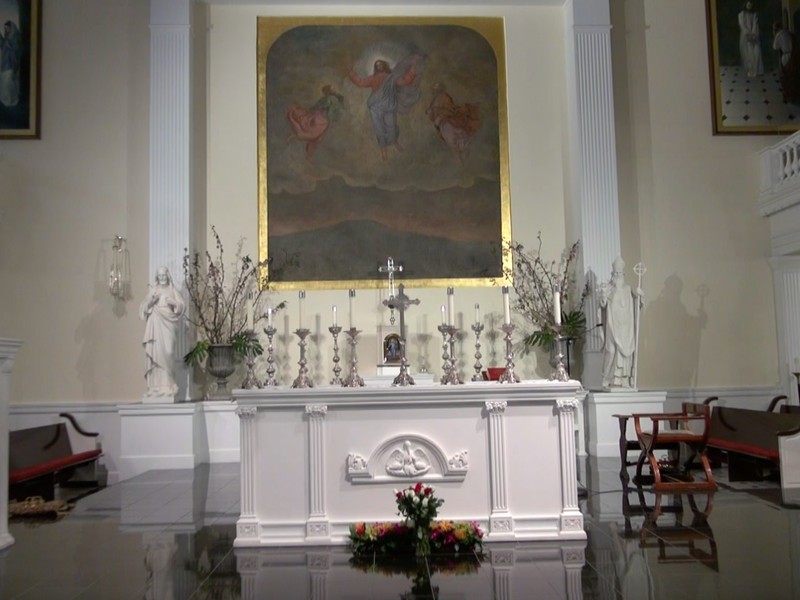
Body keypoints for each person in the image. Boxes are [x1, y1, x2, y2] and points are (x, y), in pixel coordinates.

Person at [347, 55, 423, 162]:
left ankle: (395, 142)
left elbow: (406, 81)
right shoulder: (372, 78)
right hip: (375, 107)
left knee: (391, 126)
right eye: (377, 65)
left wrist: (413, 67)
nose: (379, 66)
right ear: (375, 67)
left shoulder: (391, 77)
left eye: (381, 64)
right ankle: (383, 151)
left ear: (384, 65)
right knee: (379, 129)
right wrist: (351, 72)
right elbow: (360, 82)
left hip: (389, 107)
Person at [139, 266, 186, 397]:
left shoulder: (172, 290)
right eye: (160, 276)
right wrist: (151, 301)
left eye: (164, 275)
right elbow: (142, 308)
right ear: (157, 277)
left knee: (169, 351)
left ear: (167, 275)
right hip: (156, 323)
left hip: (169, 323)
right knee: (156, 353)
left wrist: (173, 302)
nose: (162, 278)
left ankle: (169, 384)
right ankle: (157, 386)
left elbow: (182, 305)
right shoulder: (154, 290)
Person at [598, 257, 643, 389]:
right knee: (611, 351)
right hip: (613, 326)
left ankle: (623, 379)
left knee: (625, 352)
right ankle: (607, 378)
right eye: (615, 274)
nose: (617, 276)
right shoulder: (610, 289)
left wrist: (640, 297)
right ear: (613, 274)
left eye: (620, 274)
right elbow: (603, 305)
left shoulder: (628, 289)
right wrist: (603, 297)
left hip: (625, 328)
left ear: (623, 274)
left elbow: (636, 306)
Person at [286, 84, 345, 164]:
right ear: (328, 91)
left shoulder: (337, 98)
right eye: (332, 88)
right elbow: (318, 105)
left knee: (317, 139)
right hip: (320, 119)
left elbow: (339, 110)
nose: (334, 89)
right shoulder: (328, 99)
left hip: (325, 123)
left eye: (334, 88)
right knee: (312, 135)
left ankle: (309, 155)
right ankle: (295, 136)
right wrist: (310, 110)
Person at [426, 82, 481, 167]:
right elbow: (432, 114)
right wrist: (430, 112)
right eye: (434, 89)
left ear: (440, 89)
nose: (435, 90)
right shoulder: (434, 100)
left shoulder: (445, 97)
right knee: (450, 139)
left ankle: (461, 155)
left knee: (455, 136)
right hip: (441, 125)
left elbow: (450, 107)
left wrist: (441, 115)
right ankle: (459, 157)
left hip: (447, 121)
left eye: (436, 88)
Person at [773, 21, 800, 104]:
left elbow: (775, 47)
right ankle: (793, 96)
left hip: (787, 57)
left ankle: (787, 96)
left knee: (786, 77)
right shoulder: (787, 32)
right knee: (793, 76)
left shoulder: (778, 35)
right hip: (795, 55)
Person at [739, 2, 765, 78]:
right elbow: (742, 25)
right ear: (745, 4)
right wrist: (748, 34)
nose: (750, 6)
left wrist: (753, 34)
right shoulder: (741, 15)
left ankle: (758, 70)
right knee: (749, 54)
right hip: (745, 36)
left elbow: (755, 24)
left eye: (751, 5)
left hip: (754, 35)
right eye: (748, 4)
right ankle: (751, 71)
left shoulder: (755, 14)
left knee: (757, 52)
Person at [0, 20, 22, 108]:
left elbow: (17, 50)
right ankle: (5, 99)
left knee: (9, 82)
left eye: (7, 29)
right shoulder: (7, 37)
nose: (6, 31)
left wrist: (10, 47)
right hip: (5, 63)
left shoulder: (15, 37)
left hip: (11, 64)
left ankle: (11, 100)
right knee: (5, 82)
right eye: (5, 29)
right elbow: (3, 46)